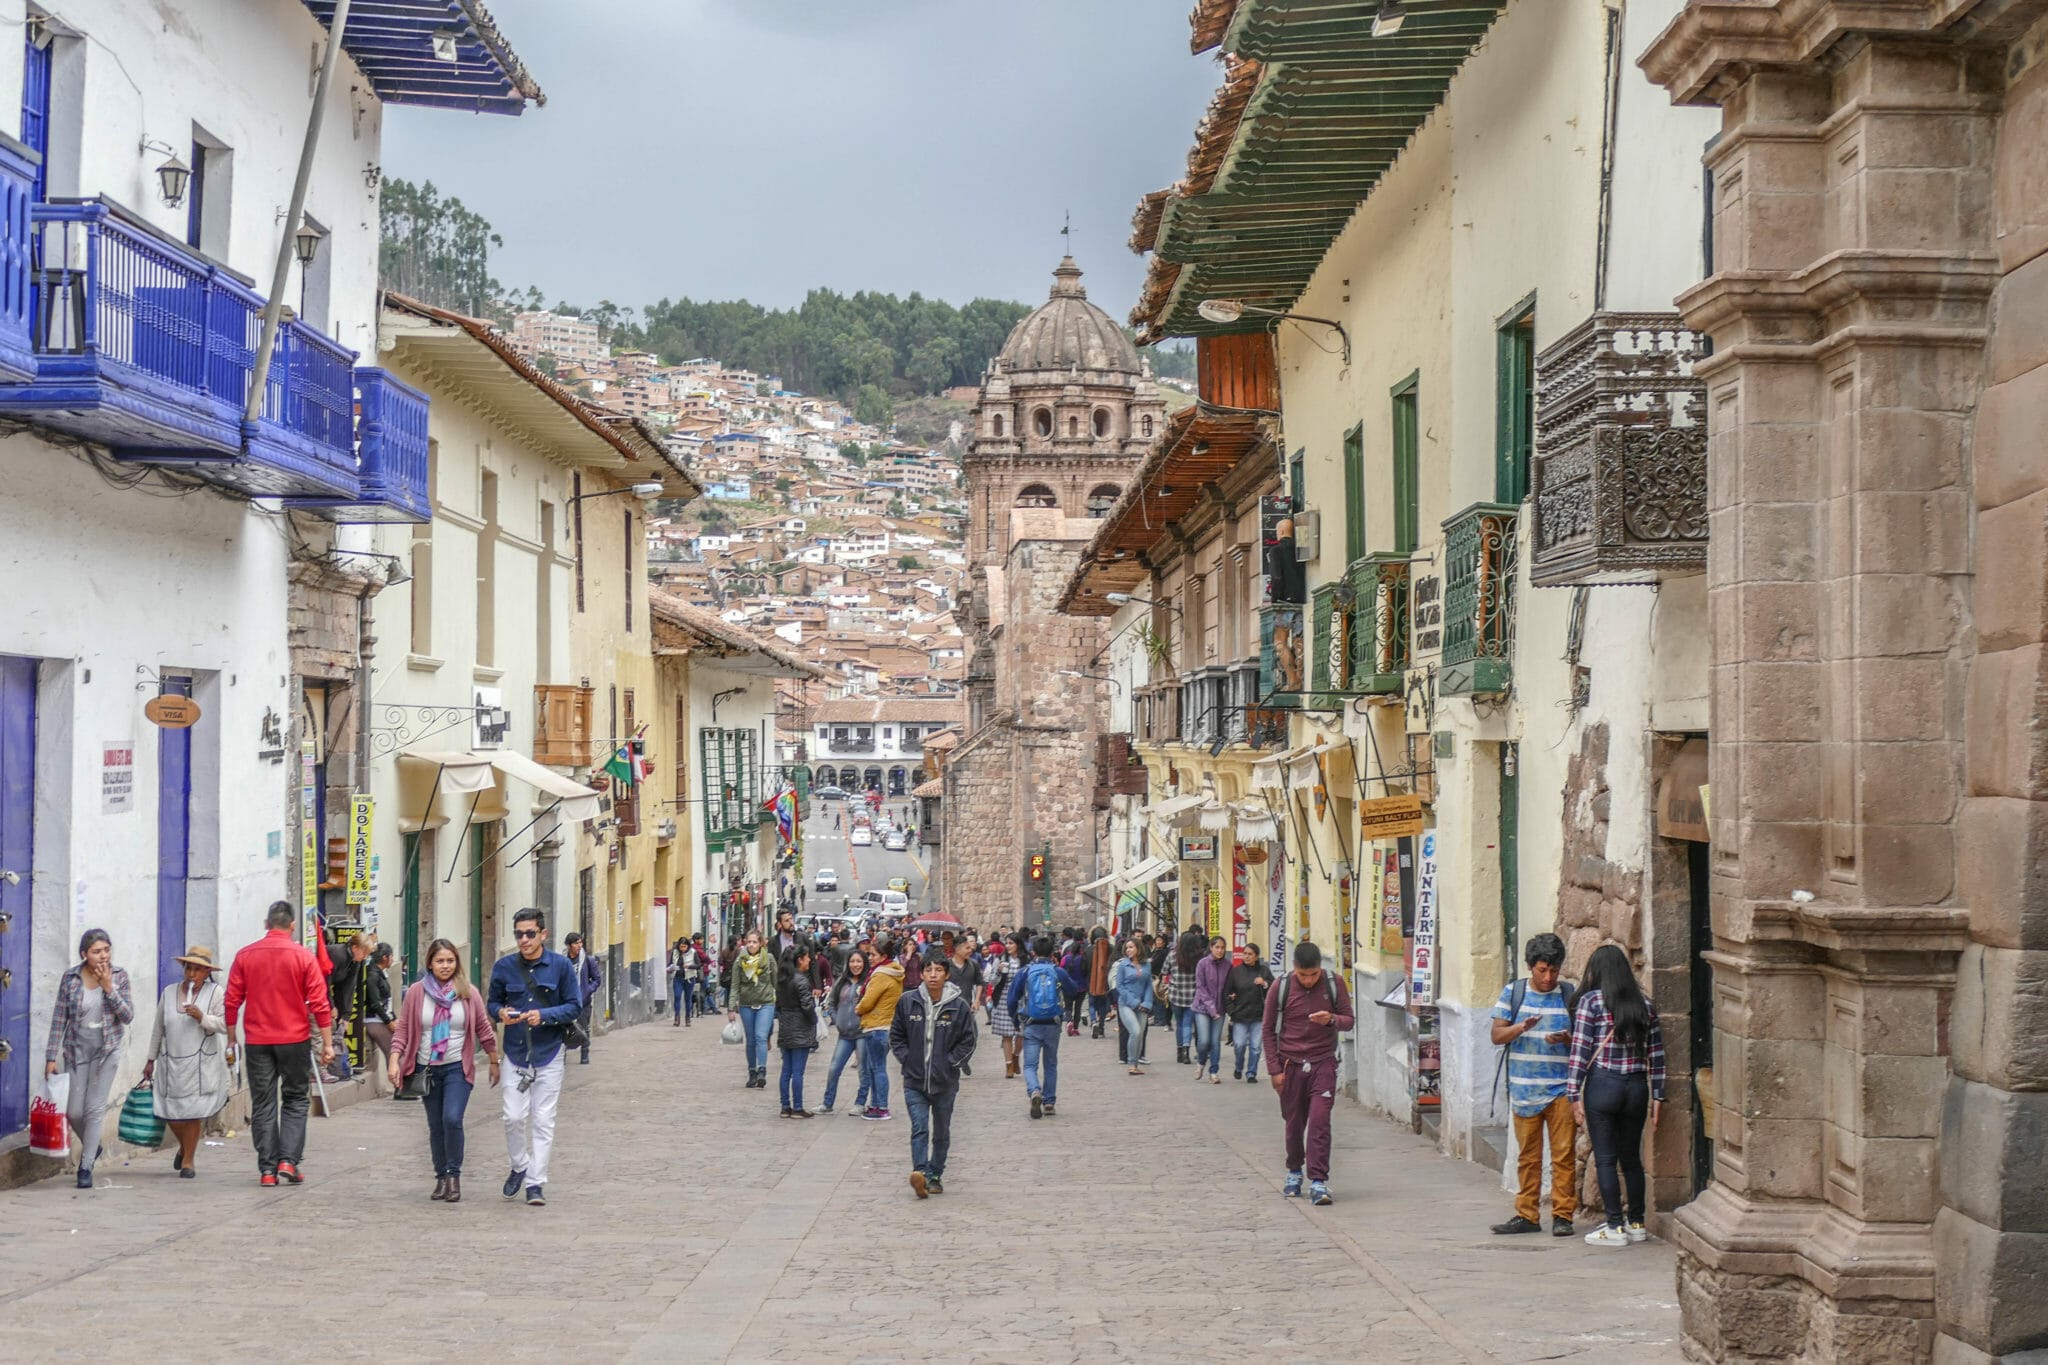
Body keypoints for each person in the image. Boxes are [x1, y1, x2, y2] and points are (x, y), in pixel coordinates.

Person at [224, 902, 333, 1187]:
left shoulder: (245, 955)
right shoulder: (303, 957)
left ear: (266, 924)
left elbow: (232, 1000)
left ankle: (267, 1170)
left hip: (258, 1040)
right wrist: (328, 1044)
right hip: (294, 1039)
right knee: (296, 1099)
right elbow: (320, 1004)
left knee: (263, 1102)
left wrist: (232, 1037)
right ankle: (288, 1160)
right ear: (292, 926)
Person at [388, 937, 500, 1203]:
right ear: (430, 963)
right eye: (440, 961)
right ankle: (440, 1177)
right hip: (426, 1068)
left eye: (450, 961)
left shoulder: (468, 992)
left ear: (457, 963)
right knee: (435, 1125)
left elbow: (483, 1028)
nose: (445, 966)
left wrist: (495, 1061)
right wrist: (395, 1059)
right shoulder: (416, 992)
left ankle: (453, 1175)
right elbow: (403, 1029)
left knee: (452, 1119)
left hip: (456, 1069)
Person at [1569, 943, 1666, 1248]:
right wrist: (1658, 1096)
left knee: (1606, 1159)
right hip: (1636, 1088)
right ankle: (1636, 1223)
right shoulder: (1645, 1006)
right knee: (1632, 1159)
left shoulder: (1592, 1002)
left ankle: (1614, 1226)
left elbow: (1581, 1051)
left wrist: (1573, 1093)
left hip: (1603, 1086)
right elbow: (1657, 1055)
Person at [487, 908, 583, 1207]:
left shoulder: (560, 967)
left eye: (530, 933)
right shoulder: (504, 967)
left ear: (543, 934)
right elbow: (492, 1002)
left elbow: (574, 1006)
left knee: (543, 1120)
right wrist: (501, 1013)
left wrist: (543, 1015)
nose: (524, 940)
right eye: (519, 934)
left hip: (549, 1052)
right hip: (515, 1052)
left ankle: (535, 1183)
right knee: (513, 1117)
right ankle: (520, 1165)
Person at [1490, 933, 1579, 1237]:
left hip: (1562, 1090)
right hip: (1525, 1089)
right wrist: (1521, 1027)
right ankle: (1526, 1214)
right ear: (1530, 967)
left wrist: (1567, 1039)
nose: (1548, 977)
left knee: (1563, 1155)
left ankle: (1562, 1215)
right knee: (1528, 1157)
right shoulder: (1513, 993)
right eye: (1542, 970)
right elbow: (1496, 1035)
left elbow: (1583, 1041)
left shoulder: (1569, 996)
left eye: (1554, 971)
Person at [1262, 940, 1354, 1205]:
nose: (1309, 980)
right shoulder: (1280, 987)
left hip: (1323, 1062)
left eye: (1313, 974)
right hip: (1290, 1064)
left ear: (1320, 969)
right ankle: (1293, 1172)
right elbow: (1268, 1030)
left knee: (1319, 1120)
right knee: (1294, 1123)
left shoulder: (1334, 984)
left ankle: (1318, 1181)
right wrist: (1274, 1070)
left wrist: (1333, 1020)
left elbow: (1349, 1020)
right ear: (1294, 969)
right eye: (1303, 975)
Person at [43, 928, 135, 1189]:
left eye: (107, 950)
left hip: (106, 1052)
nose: (103, 956)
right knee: (73, 1111)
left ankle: (85, 1167)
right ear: (84, 954)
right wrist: (51, 1056)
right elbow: (60, 1017)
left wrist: (109, 988)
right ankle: (92, 1147)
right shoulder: (71, 978)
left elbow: (128, 1016)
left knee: (94, 1109)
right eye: (97, 952)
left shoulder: (120, 976)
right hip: (76, 1051)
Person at [890, 957, 978, 1197]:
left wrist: (951, 1063)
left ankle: (935, 1173)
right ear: (921, 974)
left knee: (941, 1131)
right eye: (928, 970)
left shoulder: (958, 1006)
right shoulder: (908, 1002)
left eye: (938, 970)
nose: (933, 975)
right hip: (914, 1080)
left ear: (946, 975)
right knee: (919, 1128)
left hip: (945, 1081)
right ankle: (920, 1173)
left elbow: (968, 1040)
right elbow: (896, 1035)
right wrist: (906, 1058)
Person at [142, 944, 230, 1180]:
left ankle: (188, 1160)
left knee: (194, 1112)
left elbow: (223, 1024)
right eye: (189, 968)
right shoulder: (169, 993)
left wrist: (202, 1017)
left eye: (198, 970)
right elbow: (158, 1028)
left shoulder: (215, 993)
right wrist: (150, 1059)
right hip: (171, 1062)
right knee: (170, 1112)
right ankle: (184, 1145)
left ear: (207, 973)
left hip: (200, 1064)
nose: (192, 974)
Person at [1006, 936, 1086, 1120]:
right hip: (1052, 1023)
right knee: (1050, 1064)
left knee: (1030, 1065)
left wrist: (1015, 1019)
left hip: (1031, 1023)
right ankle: (1049, 1102)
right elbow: (1073, 990)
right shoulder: (1057, 971)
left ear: (1033, 952)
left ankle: (1034, 1091)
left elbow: (1012, 998)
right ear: (1052, 953)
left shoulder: (1025, 971)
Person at [856, 936, 906, 1120]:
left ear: (883, 955)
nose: (870, 957)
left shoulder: (881, 974)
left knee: (877, 1068)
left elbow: (868, 1001)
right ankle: (876, 1104)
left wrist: (858, 1008)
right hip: (886, 1025)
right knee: (875, 1067)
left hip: (877, 1025)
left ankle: (882, 1106)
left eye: (873, 955)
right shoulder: (894, 972)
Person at [819, 949, 870, 1114]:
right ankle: (827, 1103)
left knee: (863, 1070)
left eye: (859, 961)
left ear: (864, 963)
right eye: (852, 961)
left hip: (862, 1032)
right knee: (834, 1068)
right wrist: (836, 1019)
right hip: (844, 1034)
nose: (855, 965)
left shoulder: (869, 982)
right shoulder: (841, 981)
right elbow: (831, 1002)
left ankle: (860, 1103)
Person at [726, 931, 778, 1090]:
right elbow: (734, 986)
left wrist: (779, 1000)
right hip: (747, 1005)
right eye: (748, 942)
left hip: (766, 1003)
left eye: (754, 942)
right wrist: (731, 1007)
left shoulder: (768, 960)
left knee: (761, 1036)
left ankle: (762, 1070)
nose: (751, 945)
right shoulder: (739, 962)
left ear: (761, 943)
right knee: (751, 1040)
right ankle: (752, 1072)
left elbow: (775, 981)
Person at [776, 946, 820, 1118]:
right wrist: (814, 1020)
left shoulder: (782, 980)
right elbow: (807, 1006)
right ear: (800, 959)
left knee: (786, 1070)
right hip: (800, 1027)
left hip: (786, 1026)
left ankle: (785, 1106)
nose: (809, 960)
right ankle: (798, 1107)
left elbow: (779, 1005)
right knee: (798, 1071)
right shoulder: (801, 980)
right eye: (807, 957)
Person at [1221, 941, 1273, 1083]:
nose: (1247, 956)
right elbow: (1227, 992)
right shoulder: (1235, 972)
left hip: (1258, 1015)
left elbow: (1273, 988)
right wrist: (1232, 1011)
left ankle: (1251, 1072)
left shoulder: (1264, 971)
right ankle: (1238, 1067)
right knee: (1239, 1045)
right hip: (1240, 1015)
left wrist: (1264, 983)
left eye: (1250, 954)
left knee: (1256, 1047)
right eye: (1245, 954)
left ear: (1256, 956)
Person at [325, 931, 370, 1082]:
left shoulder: (355, 961)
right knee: (328, 1025)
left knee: (337, 1026)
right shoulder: (337, 955)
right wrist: (331, 1005)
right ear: (355, 947)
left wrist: (346, 1014)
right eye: (364, 952)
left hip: (332, 990)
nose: (365, 956)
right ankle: (322, 1068)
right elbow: (325, 981)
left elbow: (348, 987)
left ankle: (333, 1067)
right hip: (319, 990)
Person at [1111, 937, 1155, 1076]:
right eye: (1127, 947)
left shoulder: (1146, 965)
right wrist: (1134, 1002)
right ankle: (1131, 1063)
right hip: (1126, 1004)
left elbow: (1149, 984)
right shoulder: (1123, 965)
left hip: (1143, 1005)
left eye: (1131, 947)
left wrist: (1147, 1002)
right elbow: (1119, 986)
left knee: (1140, 1034)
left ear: (1138, 948)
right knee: (1135, 1031)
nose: (1128, 950)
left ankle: (1135, 1064)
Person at [1192, 935, 1232, 1084]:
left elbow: (1229, 985)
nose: (1220, 950)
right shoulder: (1202, 964)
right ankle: (1201, 1062)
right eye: (1217, 947)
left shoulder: (1228, 965)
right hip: (1202, 1008)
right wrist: (1211, 1008)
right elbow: (1200, 987)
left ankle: (1213, 1071)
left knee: (1215, 1042)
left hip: (1220, 1009)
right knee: (1204, 1041)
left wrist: (1231, 996)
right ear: (1211, 948)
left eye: (1222, 948)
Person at [943, 935, 981, 1076]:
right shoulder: (946, 966)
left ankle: (963, 1060)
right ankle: (953, 1061)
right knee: (950, 1038)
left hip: (967, 1008)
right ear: (957, 950)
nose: (970, 949)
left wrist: (977, 1000)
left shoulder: (973, 965)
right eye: (966, 947)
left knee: (973, 1036)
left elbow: (980, 983)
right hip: (949, 1009)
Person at [563, 932, 603, 1064]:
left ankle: (584, 1053)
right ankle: (562, 1054)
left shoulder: (587, 960)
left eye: (581, 942)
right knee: (563, 1028)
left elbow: (596, 979)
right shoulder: (562, 960)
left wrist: (587, 990)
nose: (579, 946)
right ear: (569, 945)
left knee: (584, 1028)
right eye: (576, 943)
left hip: (583, 1001)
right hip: (566, 1001)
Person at [984, 939, 1022, 1078]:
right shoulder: (1000, 959)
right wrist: (999, 972)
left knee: (1021, 1033)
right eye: (1007, 943)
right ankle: (1009, 1066)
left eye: (1012, 943)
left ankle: (1016, 1055)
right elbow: (992, 981)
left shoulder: (1025, 960)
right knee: (1006, 1034)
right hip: (1004, 997)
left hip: (1020, 999)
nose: (1008, 946)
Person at [363, 943, 398, 1091]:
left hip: (383, 1017)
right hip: (375, 1020)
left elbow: (387, 1001)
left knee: (397, 1049)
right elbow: (376, 1003)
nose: (393, 959)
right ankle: (399, 1087)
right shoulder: (372, 975)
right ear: (385, 958)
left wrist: (394, 1017)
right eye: (391, 956)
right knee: (392, 1051)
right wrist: (388, 1021)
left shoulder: (380, 973)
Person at [1169, 924, 1204, 1063]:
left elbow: (1164, 971)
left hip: (1176, 995)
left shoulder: (1172, 956)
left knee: (1179, 1024)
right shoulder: (1199, 958)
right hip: (1193, 996)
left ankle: (1179, 1051)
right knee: (1188, 1024)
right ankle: (1186, 1051)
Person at [1087, 927, 1114, 1038]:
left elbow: (1084, 966)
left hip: (1091, 981)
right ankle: (1101, 1027)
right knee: (1103, 1005)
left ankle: (1093, 1022)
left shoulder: (1088, 949)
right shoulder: (1111, 948)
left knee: (1092, 1004)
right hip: (1105, 982)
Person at [667, 936, 695, 1027]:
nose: (682, 949)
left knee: (688, 998)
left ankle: (688, 1018)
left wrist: (689, 966)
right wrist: (669, 968)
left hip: (689, 978)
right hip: (677, 978)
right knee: (677, 996)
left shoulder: (693, 952)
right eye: (681, 946)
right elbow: (670, 963)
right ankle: (677, 1017)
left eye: (684, 947)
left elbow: (698, 965)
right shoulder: (675, 952)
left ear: (688, 946)